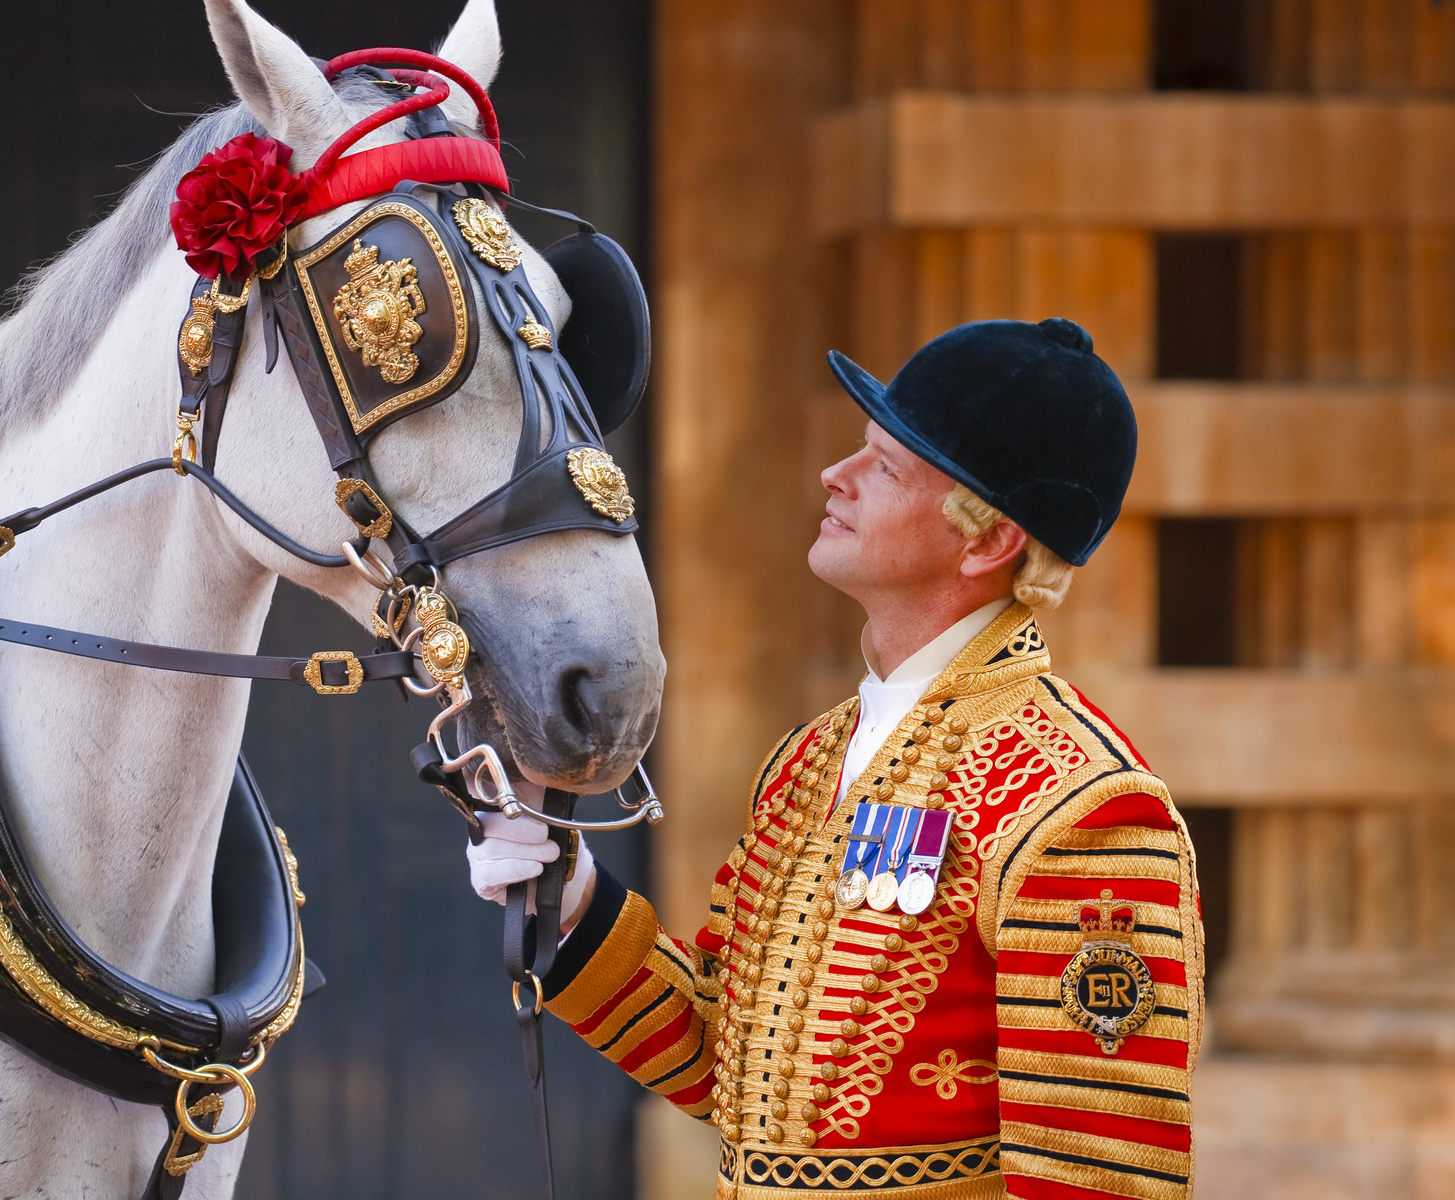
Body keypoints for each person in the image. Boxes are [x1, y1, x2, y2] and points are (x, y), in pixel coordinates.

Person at [469, 318, 1202, 1199]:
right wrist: (574, 897)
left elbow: (1099, 1177)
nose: (836, 476)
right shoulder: (808, 759)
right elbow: (722, 1066)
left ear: (986, 540)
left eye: (885, 466)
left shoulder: (1081, 802)